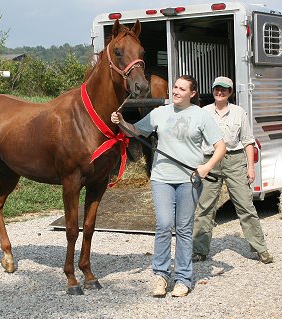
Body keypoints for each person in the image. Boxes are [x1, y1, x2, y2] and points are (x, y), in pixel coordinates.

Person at [111, 75, 226, 297]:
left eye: (182, 89)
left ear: (192, 93)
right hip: (162, 178)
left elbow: (221, 147)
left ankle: (183, 278)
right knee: (163, 225)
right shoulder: (160, 112)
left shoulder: (201, 116)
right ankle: (161, 276)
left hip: (189, 179)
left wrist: (206, 167)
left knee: (183, 229)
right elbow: (135, 131)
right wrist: (121, 122)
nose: (176, 91)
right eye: (175, 87)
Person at [192, 76, 274, 264]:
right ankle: (199, 250)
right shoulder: (203, 112)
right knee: (205, 207)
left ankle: (260, 249)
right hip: (211, 161)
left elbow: (247, 141)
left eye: (224, 89)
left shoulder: (239, 112)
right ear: (212, 91)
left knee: (245, 205)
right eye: (216, 89)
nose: (220, 92)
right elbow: (195, 140)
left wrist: (251, 168)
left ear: (230, 92)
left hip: (235, 161)